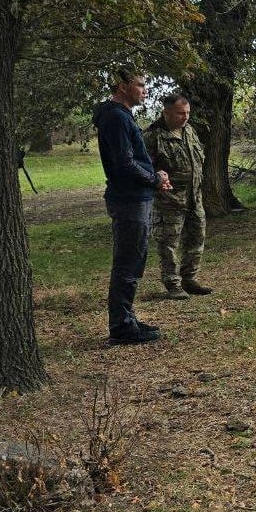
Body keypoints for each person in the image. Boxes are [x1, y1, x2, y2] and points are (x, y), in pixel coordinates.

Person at [92, 69, 171, 345]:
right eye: (139, 85)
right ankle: (122, 327)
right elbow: (124, 163)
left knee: (134, 260)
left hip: (136, 198)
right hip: (128, 200)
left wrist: (154, 177)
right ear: (123, 86)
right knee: (127, 262)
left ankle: (128, 319)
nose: (144, 90)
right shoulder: (114, 116)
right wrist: (154, 179)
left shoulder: (121, 115)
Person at [144, 94, 212, 300]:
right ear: (166, 112)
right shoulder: (152, 136)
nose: (185, 117)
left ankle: (189, 279)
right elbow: (144, 167)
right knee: (168, 244)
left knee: (196, 238)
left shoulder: (189, 131)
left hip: (194, 198)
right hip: (169, 202)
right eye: (180, 113)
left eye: (188, 113)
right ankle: (173, 284)